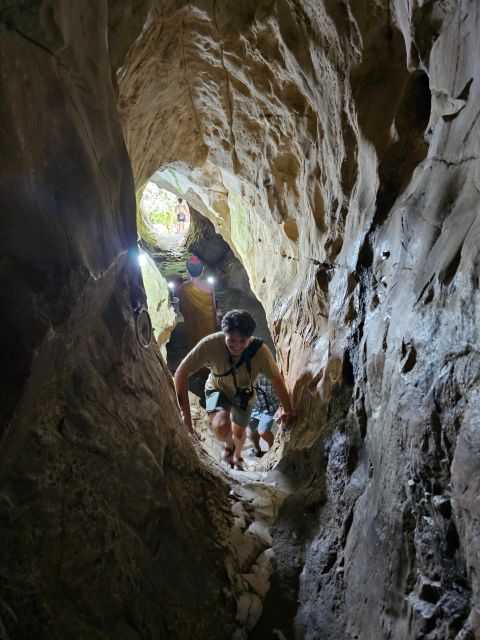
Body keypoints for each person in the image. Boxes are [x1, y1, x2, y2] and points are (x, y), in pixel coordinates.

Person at [174, 309, 295, 471]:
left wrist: (287, 409)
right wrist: (186, 418)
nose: (237, 346)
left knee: (239, 433)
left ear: (249, 337)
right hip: (218, 388)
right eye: (232, 340)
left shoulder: (260, 352)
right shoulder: (210, 344)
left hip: (244, 394)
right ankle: (228, 448)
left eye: (242, 341)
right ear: (224, 334)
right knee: (221, 425)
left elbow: (277, 379)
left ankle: (236, 454)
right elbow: (181, 373)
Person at [178, 255, 218, 352]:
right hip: (209, 324)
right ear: (202, 269)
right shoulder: (209, 285)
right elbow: (214, 307)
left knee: (195, 348)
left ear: (187, 271)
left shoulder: (183, 288)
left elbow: (182, 309)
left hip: (193, 325)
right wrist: (216, 319)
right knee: (209, 345)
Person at [248, 375, 279, 457]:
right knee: (252, 433)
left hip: (269, 407)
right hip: (253, 408)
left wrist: (280, 410)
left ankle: (272, 451)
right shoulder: (235, 380)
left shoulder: (263, 379)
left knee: (262, 431)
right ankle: (257, 450)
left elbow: (277, 393)